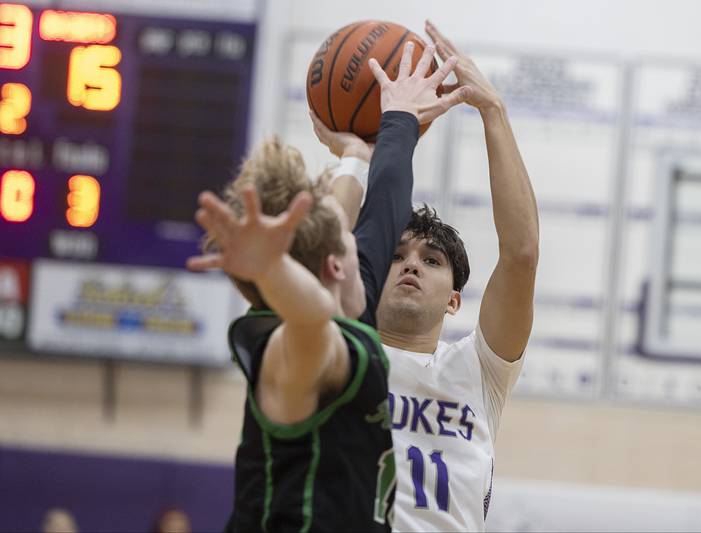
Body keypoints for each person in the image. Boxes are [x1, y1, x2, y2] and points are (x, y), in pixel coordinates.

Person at [187, 42, 470, 532]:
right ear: (335, 268)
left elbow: (380, 208)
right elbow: (312, 314)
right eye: (348, 237)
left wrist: (364, 150)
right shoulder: (297, 345)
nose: (363, 241)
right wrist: (272, 267)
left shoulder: (348, 307)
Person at [334, 21, 540, 531]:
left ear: (453, 300)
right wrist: (353, 159)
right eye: (398, 254)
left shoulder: (480, 371)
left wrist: (493, 110)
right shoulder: (339, 350)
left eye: (431, 261)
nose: (410, 264)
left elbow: (521, 253)